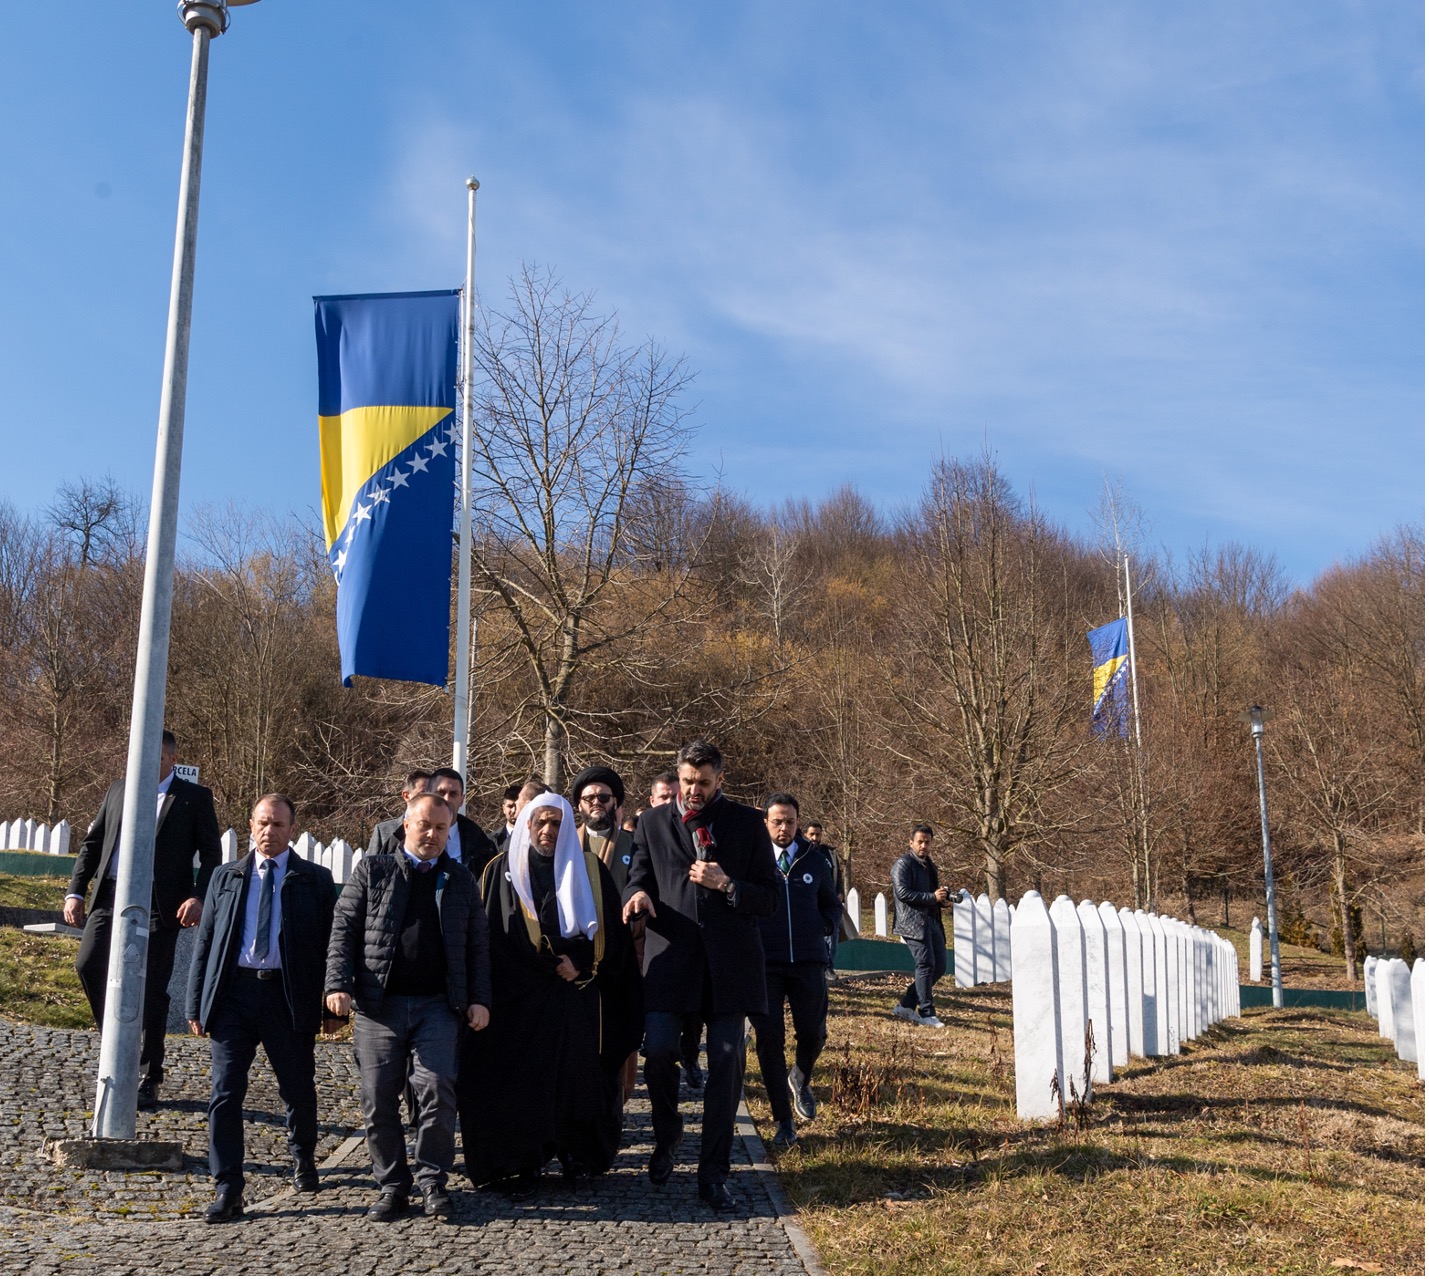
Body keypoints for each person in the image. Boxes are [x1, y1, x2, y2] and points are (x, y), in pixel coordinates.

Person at [623, 740, 779, 1213]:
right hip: (671, 961)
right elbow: (638, 877)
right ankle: (668, 1132)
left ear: (720, 780)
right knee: (659, 1052)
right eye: (687, 781)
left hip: (730, 968)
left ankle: (714, 1174)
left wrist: (727, 884)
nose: (694, 790)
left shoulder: (748, 824)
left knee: (727, 1065)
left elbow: (770, 898)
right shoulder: (651, 823)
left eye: (704, 783)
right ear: (678, 776)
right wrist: (636, 897)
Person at [462, 794, 642, 1198]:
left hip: (576, 995)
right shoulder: (499, 870)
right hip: (519, 1000)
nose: (548, 831)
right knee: (522, 1081)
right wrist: (543, 965)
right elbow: (490, 938)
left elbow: (611, 936)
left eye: (556, 823)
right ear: (527, 824)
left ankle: (577, 1157)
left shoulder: (590, 869)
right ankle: (524, 1162)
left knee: (579, 1079)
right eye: (540, 822)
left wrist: (580, 962)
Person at [325, 793, 491, 1221]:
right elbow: (343, 931)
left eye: (441, 828)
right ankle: (392, 1186)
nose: (432, 834)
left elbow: (478, 945)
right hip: (379, 1007)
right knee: (378, 1097)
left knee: (437, 1089)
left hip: (438, 1006)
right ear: (405, 825)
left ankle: (433, 1181)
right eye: (424, 825)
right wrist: (337, 985)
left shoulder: (460, 880)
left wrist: (479, 999)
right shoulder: (372, 871)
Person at [185, 795, 336, 1223]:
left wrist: (333, 1005)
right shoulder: (226, 876)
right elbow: (206, 941)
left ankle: (303, 1155)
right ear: (251, 825)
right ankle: (227, 1186)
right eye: (263, 823)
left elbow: (332, 945)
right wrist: (196, 1002)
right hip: (234, 995)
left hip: (287, 996)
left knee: (297, 1087)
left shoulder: (315, 879)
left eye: (278, 825)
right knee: (225, 1092)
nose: (269, 832)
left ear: (293, 829)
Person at [64, 729, 222, 1110]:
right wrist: (75, 891)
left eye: (155, 756)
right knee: (88, 963)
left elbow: (212, 855)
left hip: (160, 904)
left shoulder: (193, 798)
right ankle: (118, 1043)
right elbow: (93, 844)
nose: (145, 762)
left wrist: (198, 897)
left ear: (171, 759)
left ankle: (149, 1075)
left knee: (151, 988)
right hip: (111, 895)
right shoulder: (118, 789)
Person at [750, 794, 842, 1148]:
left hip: (808, 960)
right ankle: (783, 1120)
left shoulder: (815, 860)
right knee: (769, 1040)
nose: (784, 828)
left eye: (790, 821)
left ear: (797, 822)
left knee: (814, 1033)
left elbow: (831, 904)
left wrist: (824, 924)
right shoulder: (753, 860)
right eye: (777, 821)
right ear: (766, 823)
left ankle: (800, 1078)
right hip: (766, 963)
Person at [647, 769, 705, 1091]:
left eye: (674, 795)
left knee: (693, 1014)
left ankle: (691, 1055)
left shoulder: (695, 827)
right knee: (659, 1039)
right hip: (657, 940)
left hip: (693, 936)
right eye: (664, 797)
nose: (670, 801)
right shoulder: (646, 829)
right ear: (652, 800)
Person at [891, 824, 949, 1028]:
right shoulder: (903, 864)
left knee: (939, 966)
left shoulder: (930, 865)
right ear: (911, 842)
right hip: (912, 922)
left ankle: (906, 1005)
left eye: (927, 842)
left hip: (931, 920)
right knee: (925, 964)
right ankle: (926, 1012)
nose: (923, 846)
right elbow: (903, 893)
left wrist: (942, 900)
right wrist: (932, 897)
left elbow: (931, 893)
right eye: (920, 842)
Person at [571, 765, 635, 895]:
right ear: (579, 805)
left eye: (603, 798)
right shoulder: (568, 843)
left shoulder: (633, 843)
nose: (596, 803)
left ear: (615, 802)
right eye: (589, 798)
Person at [366, 769, 433, 856]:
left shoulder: (440, 831)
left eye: (433, 793)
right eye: (424, 793)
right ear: (406, 796)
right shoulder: (383, 831)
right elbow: (370, 863)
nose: (430, 798)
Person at [489, 782, 523, 854]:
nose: (514, 810)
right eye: (510, 806)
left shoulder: (532, 838)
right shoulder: (492, 840)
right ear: (504, 808)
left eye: (517, 806)